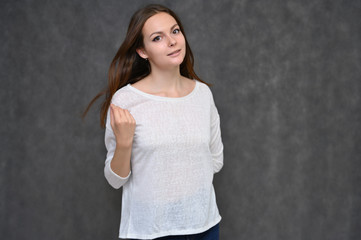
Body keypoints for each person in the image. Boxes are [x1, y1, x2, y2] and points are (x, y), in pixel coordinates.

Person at [83, 4, 224, 240]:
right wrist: (125, 143)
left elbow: (215, 160)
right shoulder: (126, 100)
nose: (171, 41)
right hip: (151, 232)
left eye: (175, 31)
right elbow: (115, 179)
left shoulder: (202, 95)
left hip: (205, 228)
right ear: (142, 51)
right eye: (157, 37)